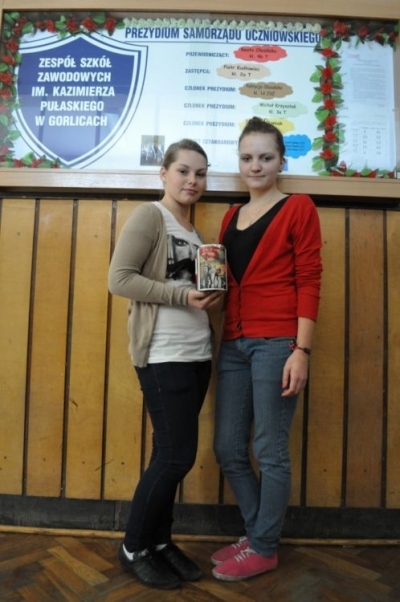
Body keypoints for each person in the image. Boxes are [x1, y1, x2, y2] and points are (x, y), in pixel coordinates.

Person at [108, 139, 223, 590]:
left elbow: (194, 294)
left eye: (201, 173)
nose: (193, 180)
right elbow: (120, 279)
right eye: (183, 171)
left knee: (168, 454)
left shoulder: (196, 234)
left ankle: (159, 541)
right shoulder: (150, 216)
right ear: (163, 173)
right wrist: (183, 296)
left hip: (197, 354)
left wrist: (211, 295)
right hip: (162, 353)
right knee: (176, 457)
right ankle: (133, 546)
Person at [211, 117, 323, 581]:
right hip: (233, 342)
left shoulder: (298, 207)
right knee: (227, 447)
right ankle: (259, 531)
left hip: (278, 342)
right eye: (247, 158)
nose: (255, 166)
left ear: (281, 162)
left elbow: (309, 280)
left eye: (265, 157)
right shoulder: (230, 216)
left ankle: (263, 546)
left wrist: (302, 350)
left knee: (269, 449)